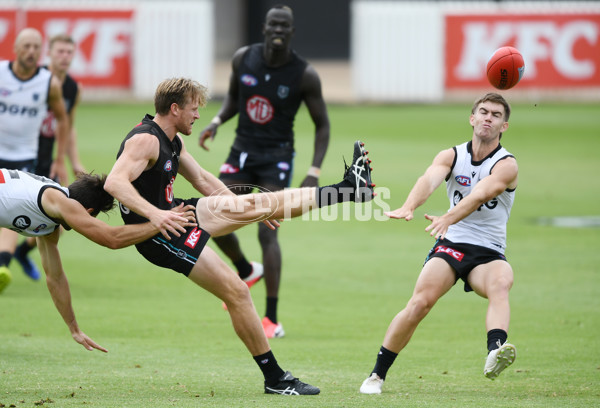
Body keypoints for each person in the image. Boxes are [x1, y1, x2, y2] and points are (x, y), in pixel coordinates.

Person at [104, 77, 373, 395]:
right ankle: (275, 379)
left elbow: (203, 178)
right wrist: (156, 215)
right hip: (160, 235)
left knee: (261, 203)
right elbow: (114, 182)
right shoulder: (145, 140)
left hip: (177, 217)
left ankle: (346, 190)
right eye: (194, 108)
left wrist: (247, 211)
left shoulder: (171, 140)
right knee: (237, 293)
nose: (198, 115)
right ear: (174, 109)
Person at [359, 93, 518, 395]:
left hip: (488, 252)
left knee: (501, 282)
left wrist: (448, 217)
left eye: (495, 115)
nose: (488, 118)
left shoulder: (506, 165)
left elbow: (481, 194)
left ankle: (495, 351)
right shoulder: (452, 155)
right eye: (483, 112)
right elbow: (429, 179)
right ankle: (376, 376)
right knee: (419, 304)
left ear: (504, 126)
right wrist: (409, 206)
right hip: (453, 245)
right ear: (472, 118)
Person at [198, 4, 330, 338]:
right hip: (242, 152)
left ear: (292, 32)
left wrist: (313, 171)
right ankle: (245, 269)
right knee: (215, 214)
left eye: (284, 26)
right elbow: (233, 100)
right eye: (273, 25)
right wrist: (215, 122)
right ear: (264, 28)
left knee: (267, 232)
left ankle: (271, 318)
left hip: (277, 158)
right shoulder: (244, 58)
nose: (278, 31)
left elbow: (322, 125)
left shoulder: (304, 75)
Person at [0, 168, 195, 351]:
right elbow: (112, 239)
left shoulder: (49, 225)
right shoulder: (61, 202)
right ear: (89, 212)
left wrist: (74, 328)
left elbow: (55, 278)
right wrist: (160, 223)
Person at [0, 28, 70, 289]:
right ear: (16, 49)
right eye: (26, 46)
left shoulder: (48, 82)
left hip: (23, 159)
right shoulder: (1, 73)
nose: (31, 52)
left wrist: (59, 158)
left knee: (9, 211)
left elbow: (63, 119)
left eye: (35, 48)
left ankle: (3, 264)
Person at [14, 33, 86, 281]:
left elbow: (69, 126)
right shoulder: (37, 79)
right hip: (22, 154)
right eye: (60, 52)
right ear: (50, 54)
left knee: (59, 218)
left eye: (69, 52)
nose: (65, 57)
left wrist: (71, 161)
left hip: (48, 158)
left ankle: (21, 253)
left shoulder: (73, 88)